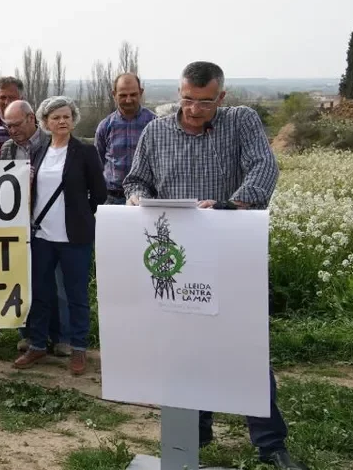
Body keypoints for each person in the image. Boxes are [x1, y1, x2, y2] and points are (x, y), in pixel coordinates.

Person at [124, 61, 304, 470]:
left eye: (204, 102)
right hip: (172, 261)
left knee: (244, 347)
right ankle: (193, 432)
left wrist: (230, 205)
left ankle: (271, 444)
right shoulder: (156, 131)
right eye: (187, 99)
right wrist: (136, 200)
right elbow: (137, 180)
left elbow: (264, 167)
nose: (193, 109)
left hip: (229, 251)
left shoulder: (240, 122)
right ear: (178, 92)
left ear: (221, 97)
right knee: (183, 348)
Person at [13, 96, 106, 376]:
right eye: (56, 117)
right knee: (41, 292)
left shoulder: (86, 152)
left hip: (74, 238)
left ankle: (78, 348)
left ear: (73, 119)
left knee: (77, 295)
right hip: (42, 235)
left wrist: (80, 217)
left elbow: (99, 194)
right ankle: (38, 344)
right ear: (45, 122)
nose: (62, 121)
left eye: (66, 116)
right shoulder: (39, 151)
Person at [0, 100, 69, 356]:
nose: (12, 130)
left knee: (57, 282)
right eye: (8, 126)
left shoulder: (51, 144)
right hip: (19, 225)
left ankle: (62, 337)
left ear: (31, 119)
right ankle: (29, 335)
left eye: (16, 124)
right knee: (26, 281)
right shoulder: (7, 148)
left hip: (50, 223)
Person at [94, 73, 156, 205]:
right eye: (123, 95)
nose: (128, 100)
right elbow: (97, 164)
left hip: (144, 200)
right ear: (114, 94)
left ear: (141, 92)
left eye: (133, 94)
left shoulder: (154, 124)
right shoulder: (105, 126)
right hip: (112, 198)